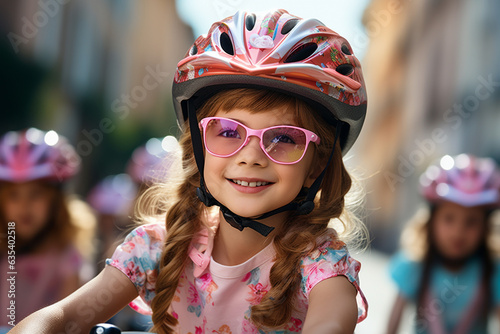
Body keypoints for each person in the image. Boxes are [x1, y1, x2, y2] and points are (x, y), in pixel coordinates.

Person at [10, 9, 369, 333]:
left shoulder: (321, 266)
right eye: (228, 132)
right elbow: (67, 318)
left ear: (316, 166)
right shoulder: (158, 247)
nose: (252, 156)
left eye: (284, 138)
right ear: (199, 149)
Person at [387, 154, 500, 334]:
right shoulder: (414, 264)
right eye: (449, 219)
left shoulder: (493, 272)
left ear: (486, 227)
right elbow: (392, 324)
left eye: (471, 222)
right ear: (431, 221)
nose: (458, 232)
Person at [0, 128, 96, 331]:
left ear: (56, 201)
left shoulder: (68, 261)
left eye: (35, 194)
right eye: (14, 195)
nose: (24, 206)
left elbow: (69, 322)